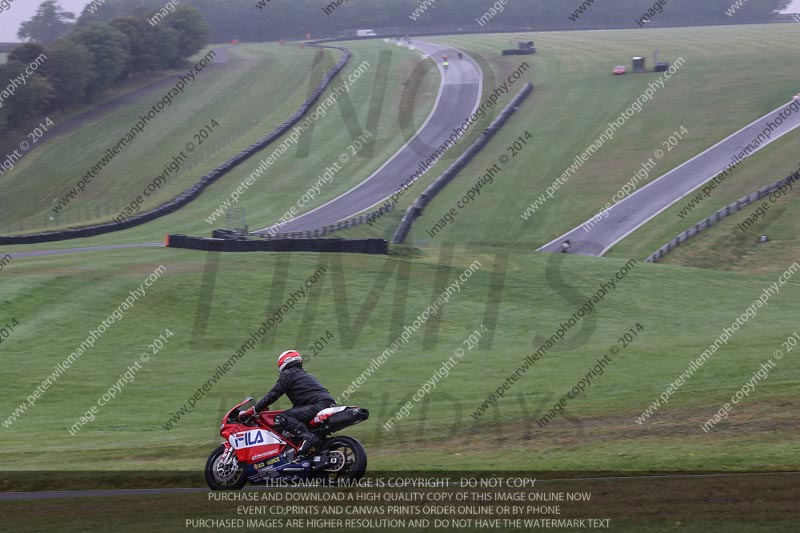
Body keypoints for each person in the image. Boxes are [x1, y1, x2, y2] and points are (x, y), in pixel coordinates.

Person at [238, 350, 335, 456]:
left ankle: (308, 438)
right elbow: (301, 403)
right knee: (293, 416)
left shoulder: (288, 374)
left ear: (284, 362)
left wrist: (255, 409)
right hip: (325, 404)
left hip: (318, 405)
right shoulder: (302, 374)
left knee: (283, 417)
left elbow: (274, 393)